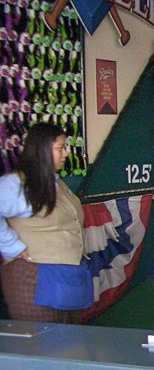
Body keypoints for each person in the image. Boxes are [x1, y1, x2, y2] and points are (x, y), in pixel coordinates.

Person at [0, 123, 92, 323]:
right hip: (34, 278)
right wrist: (12, 247)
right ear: (41, 149)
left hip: (68, 278)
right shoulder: (17, 184)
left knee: (72, 347)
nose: (65, 154)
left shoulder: (57, 183)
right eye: (60, 148)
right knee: (40, 346)